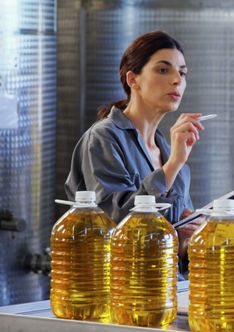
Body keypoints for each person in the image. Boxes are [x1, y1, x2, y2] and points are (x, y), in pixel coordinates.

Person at [65, 31, 203, 267]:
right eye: (163, 69)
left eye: (182, 72)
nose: (177, 80)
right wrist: (173, 166)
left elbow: (172, 245)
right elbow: (117, 225)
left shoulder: (169, 151)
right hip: (117, 292)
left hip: (164, 291)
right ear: (133, 79)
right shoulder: (102, 139)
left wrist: (187, 240)